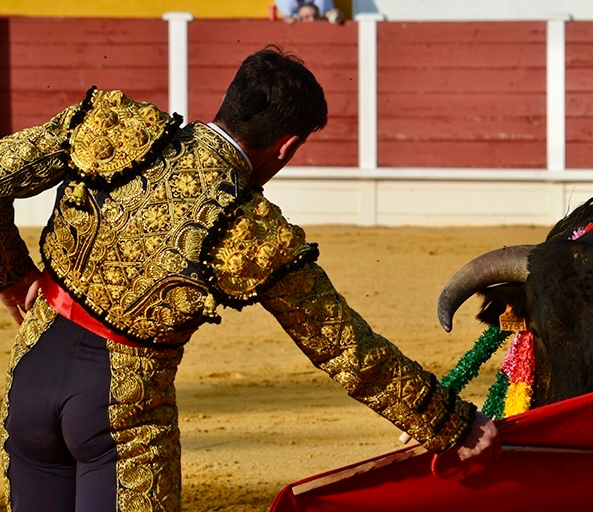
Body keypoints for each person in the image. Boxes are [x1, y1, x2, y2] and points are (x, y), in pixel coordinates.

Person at [0, 46, 499, 510]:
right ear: (286, 147)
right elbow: (346, 348)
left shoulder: (117, 129)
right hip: (116, 406)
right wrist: (450, 422)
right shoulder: (250, 228)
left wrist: (14, 274)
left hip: (31, 370)